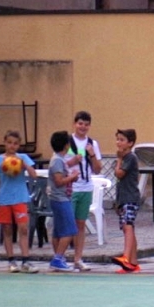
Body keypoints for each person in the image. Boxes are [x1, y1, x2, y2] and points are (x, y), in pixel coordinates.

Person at [0, 130, 39, 273]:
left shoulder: (23, 157)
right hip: (4, 199)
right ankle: (11, 260)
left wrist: (25, 165)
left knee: (23, 228)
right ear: (4, 143)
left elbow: (34, 175)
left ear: (19, 145)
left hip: (20, 197)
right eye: (9, 143)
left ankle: (26, 260)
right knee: (7, 229)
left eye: (15, 143)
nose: (12, 146)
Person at [67, 111, 103, 272]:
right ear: (75, 124)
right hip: (70, 187)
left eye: (86, 124)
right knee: (67, 224)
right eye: (80, 123)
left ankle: (78, 258)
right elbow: (60, 163)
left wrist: (92, 154)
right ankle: (60, 257)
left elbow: (97, 169)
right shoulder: (67, 142)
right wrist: (73, 161)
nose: (83, 127)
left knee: (80, 224)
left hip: (86, 188)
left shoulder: (92, 144)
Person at [45, 131, 79, 273]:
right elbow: (59, 181)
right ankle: (58, 258)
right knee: (70, 230)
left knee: (58, 231)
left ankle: (59, 258)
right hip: (60, 198)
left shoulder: (59, 159)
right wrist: (73, 177)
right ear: (66, 145)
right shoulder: (57, 160)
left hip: (60, 198)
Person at [112, 128, 141, 273]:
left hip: (130, 198)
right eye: (117, 139)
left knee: (128, 226)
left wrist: (118, 160)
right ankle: (133, 263)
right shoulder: (126, 158)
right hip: (123, 198)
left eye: (122, 140)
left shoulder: (129, 157)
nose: (118, 142)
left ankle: (126, 257)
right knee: (127, 228)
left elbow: (119, 174)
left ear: (130, 143)